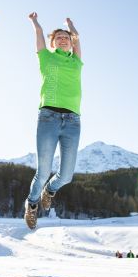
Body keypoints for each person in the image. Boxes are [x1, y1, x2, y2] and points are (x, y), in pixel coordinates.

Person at [24, 12, 83, 229]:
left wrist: (70, 24)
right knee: (43, 171)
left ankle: (50, 190)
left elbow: (77, 37)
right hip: (48, 117)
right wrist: (35, 22)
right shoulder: (46, 58)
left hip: (73, 121)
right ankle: (31, 205)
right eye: (58, 37)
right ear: (53, 42)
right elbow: (39, 34)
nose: (63, 39)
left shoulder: (76, 61)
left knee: (66, 176)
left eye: (66, 37)